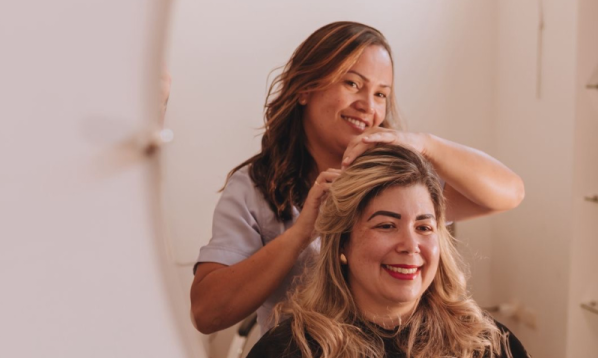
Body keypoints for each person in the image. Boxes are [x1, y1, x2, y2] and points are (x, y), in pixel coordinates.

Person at [224, 145, 572, 358]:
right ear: (343, 240)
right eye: (386, 225)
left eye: (424, 226)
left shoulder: (484, 344)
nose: (410, 245)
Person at [191, 21, 525, 335]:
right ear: (305, 88)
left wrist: (425, 144)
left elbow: (509, 192)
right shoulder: (254, 188)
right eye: (352, 84)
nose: (368, 106)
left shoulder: (400, 182)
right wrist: (303, 233)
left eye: (381, 94)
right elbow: (207, 313)